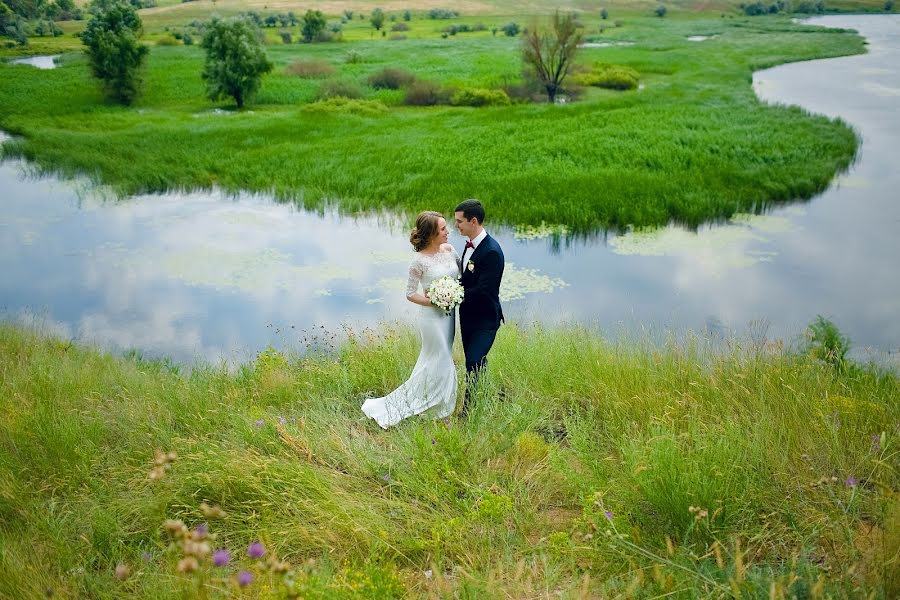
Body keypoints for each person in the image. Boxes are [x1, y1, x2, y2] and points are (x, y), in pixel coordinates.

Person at [361, 211, 460, 429]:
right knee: (441, 356)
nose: (448, 232)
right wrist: (434, 301)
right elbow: (410, 293)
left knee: (437, 357)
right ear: (432, 234)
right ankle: (440, 407)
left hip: (450, 315)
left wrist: (452, 294)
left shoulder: (450, 250)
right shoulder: (419, 262)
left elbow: (461, 277)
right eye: (443, 229)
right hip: (431, 317)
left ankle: (435, 400)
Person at [454, 199, 504, 417]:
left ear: (473, 221)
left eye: (459, 221)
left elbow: (485, 289)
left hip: (485, 319)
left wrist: (454, 295)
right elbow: (466, 278)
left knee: (473, 361)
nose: (456, 225)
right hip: (468, 318)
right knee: (474, 363)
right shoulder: (469, 245)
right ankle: (483, 400)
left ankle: (468, 413)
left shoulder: (491, 251)